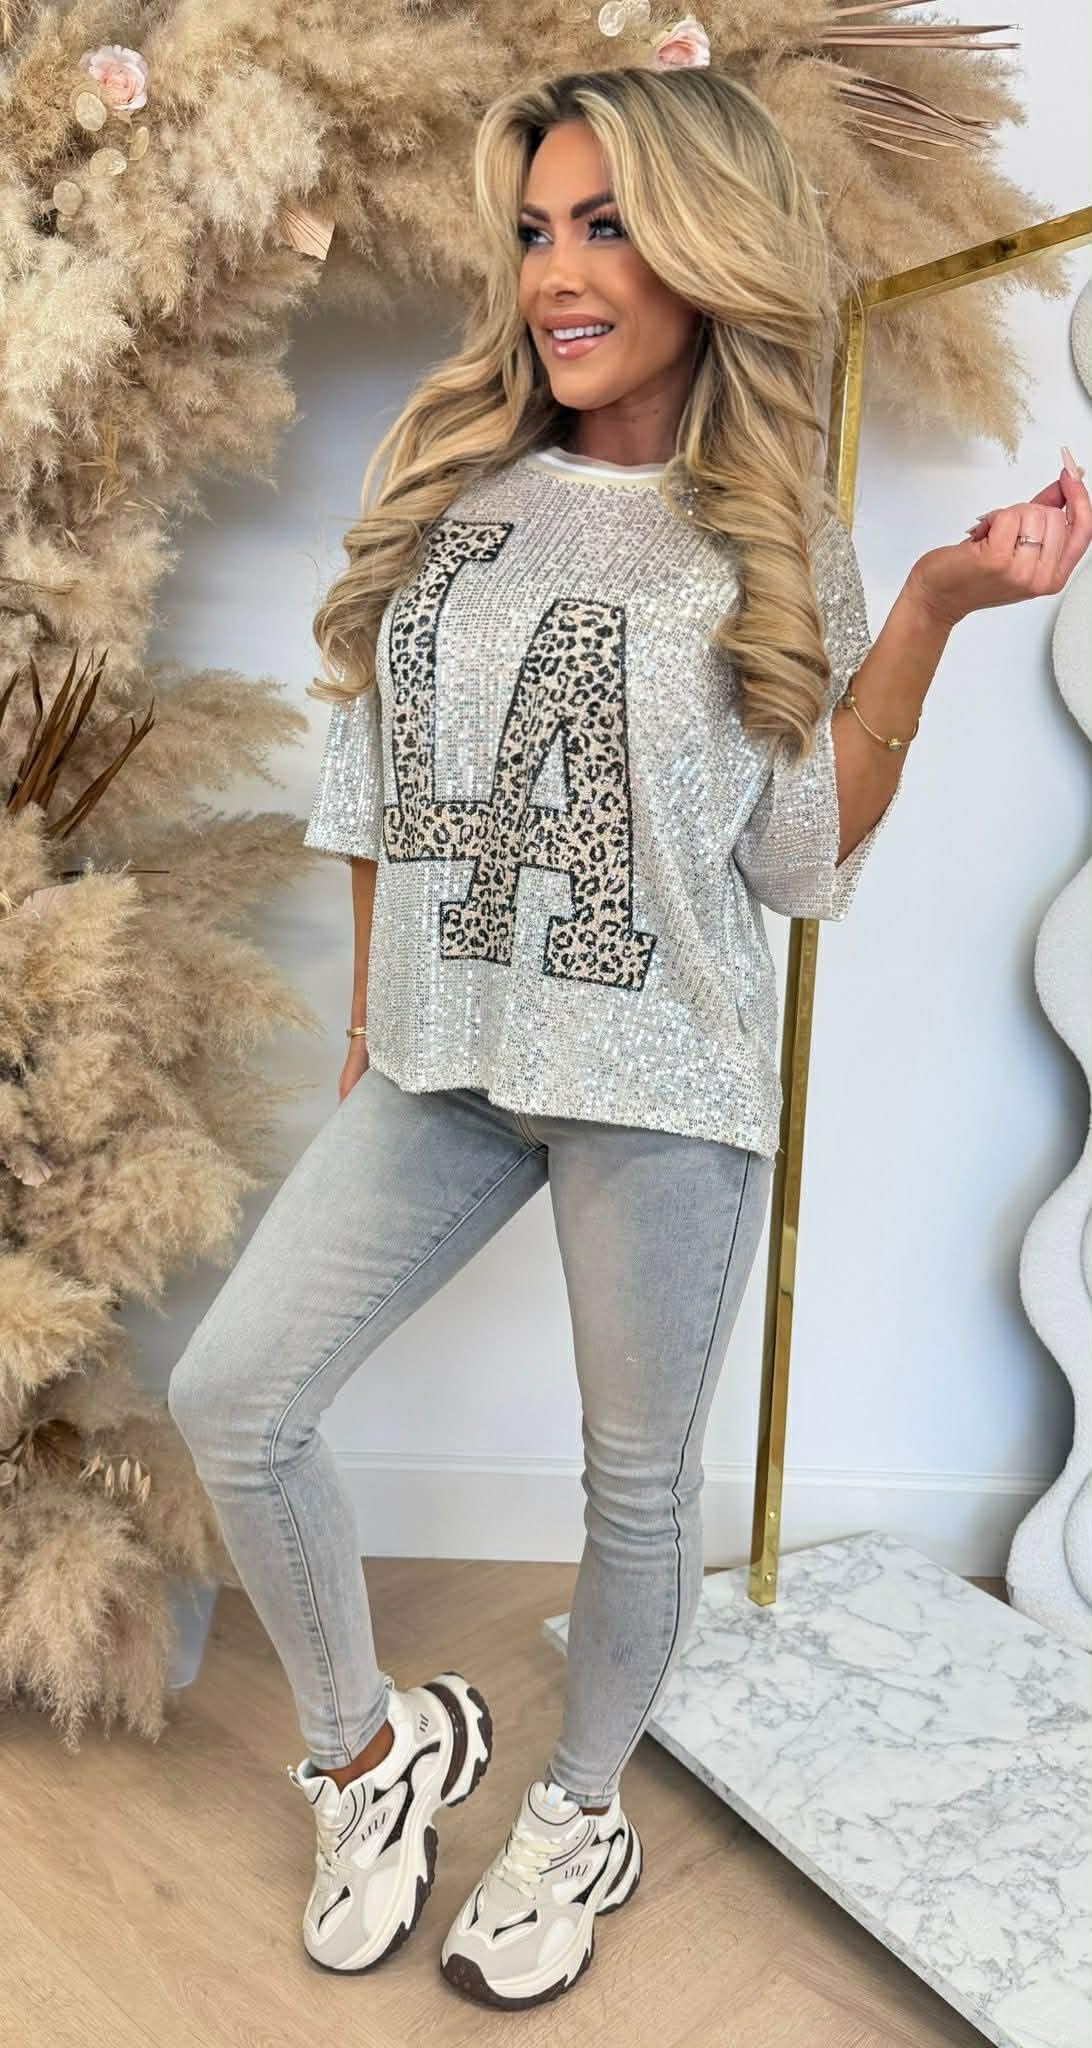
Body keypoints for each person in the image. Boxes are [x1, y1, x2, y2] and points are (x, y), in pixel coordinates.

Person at [165, 59, 1089, 2015]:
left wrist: (930, 608)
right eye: (534, 231)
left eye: (606, 227)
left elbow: (796, 854)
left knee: (636, 1484)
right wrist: (372, 1019)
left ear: (704, 248)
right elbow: (372, 776)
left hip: (663, 1080)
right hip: (445, 1062)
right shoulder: (455, 482)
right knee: (235, 1398)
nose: (558, 274)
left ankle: (581, 1810)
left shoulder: (768, 531)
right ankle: (371, 1753)